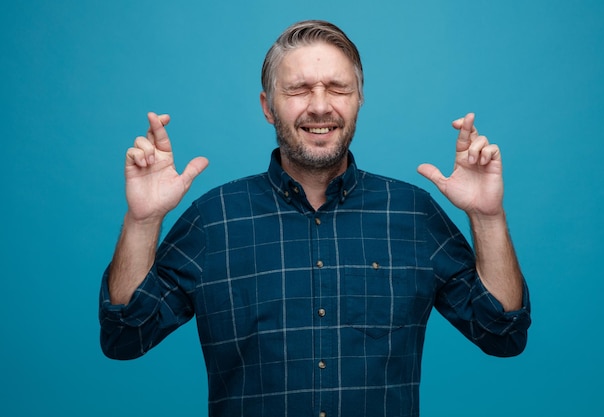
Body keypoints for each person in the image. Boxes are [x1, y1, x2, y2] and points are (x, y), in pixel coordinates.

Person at [99, 20, 530, 417]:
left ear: (358, 99)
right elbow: (125, 338)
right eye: (299, 89)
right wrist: (143, 221)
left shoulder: (412, 214)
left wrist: (487, 216)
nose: (320, 106)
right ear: (268, 107)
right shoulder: (215, 220)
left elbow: (502, 334)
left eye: (338, 88)